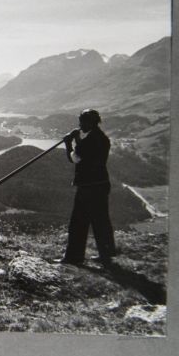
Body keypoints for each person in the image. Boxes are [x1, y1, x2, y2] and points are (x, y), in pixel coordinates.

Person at [52, 109, 117, 265]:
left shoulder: (90, 140)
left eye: (82, 121)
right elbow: (87, 154)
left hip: (88, 187)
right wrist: (77, 139)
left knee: (78, 222)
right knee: (100, 220)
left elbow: (75, 158)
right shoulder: (102, 138)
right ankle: (106, 255)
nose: (80, 125)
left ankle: (74, 257)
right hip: (101, 184)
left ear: (89, 122)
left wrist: (69, 142)